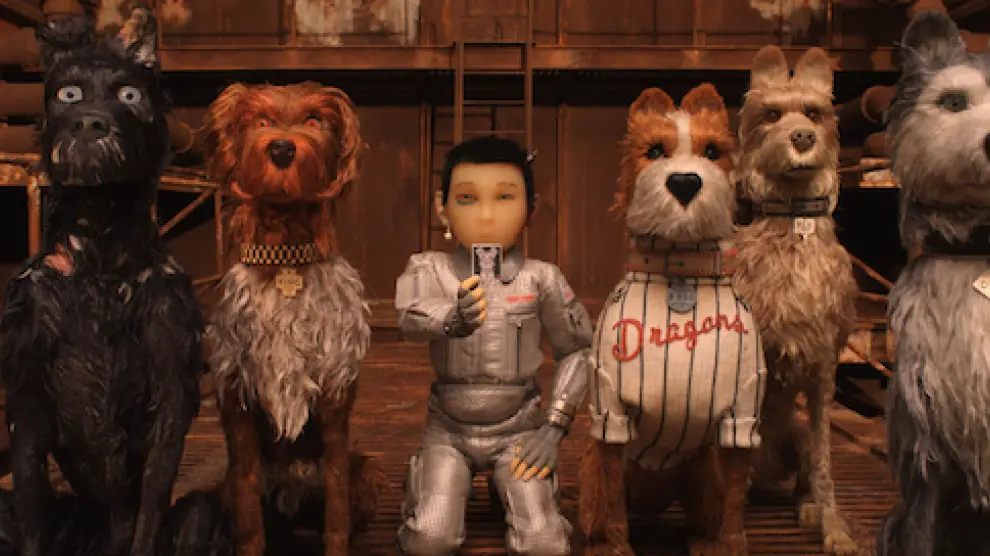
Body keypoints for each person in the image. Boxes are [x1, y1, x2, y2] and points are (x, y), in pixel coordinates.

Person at [394, 135, 593, 555]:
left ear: (531, 208)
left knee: (543, 543)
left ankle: (526, 495)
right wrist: (451, 318)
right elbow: (408, 318)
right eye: (467, 198)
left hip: (519, 429)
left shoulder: (542, 278)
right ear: (442, 206)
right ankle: (429, 485)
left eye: (505, 197)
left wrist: (553, 429)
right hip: (448, 430)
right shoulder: (427, 268)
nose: (486, 215)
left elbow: (577, 349)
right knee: (429, 539)